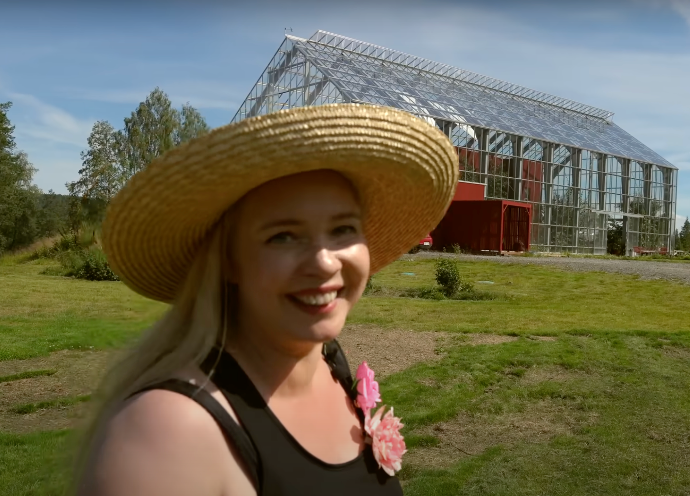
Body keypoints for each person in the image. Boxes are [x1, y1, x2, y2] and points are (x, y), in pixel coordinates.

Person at [74, 104, 458, 495]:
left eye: (343, 228)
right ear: (228, 261)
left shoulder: (332, 367)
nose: (325, 262)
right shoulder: (170, 434)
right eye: (283, 236)